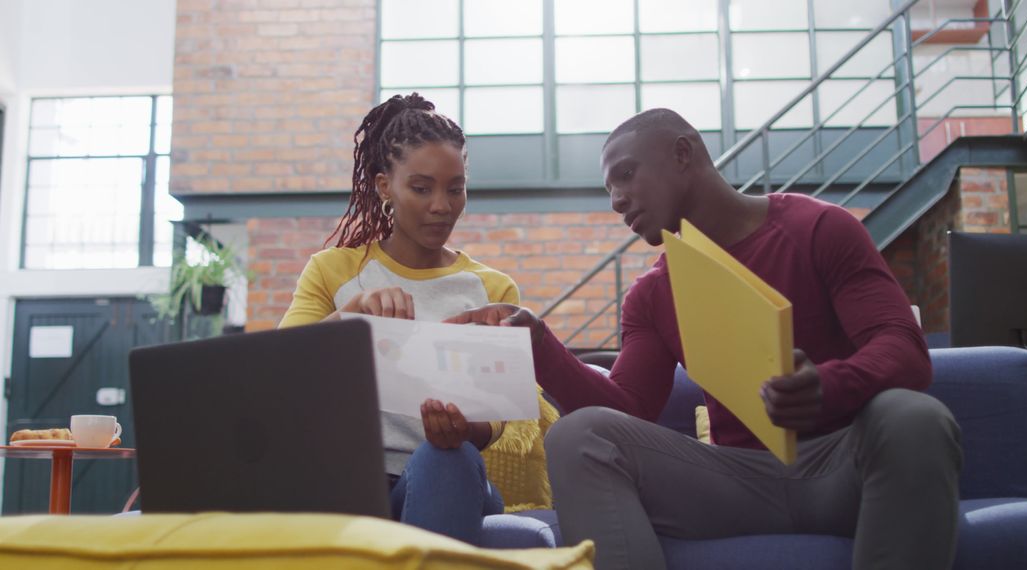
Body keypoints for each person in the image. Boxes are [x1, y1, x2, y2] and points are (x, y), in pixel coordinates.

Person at [446, 109, 963, 569]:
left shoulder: (819, 227)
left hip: (843, 466)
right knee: (579, 435)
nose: (617, 199)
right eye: (608, 189)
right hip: (736, 482)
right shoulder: (650, 293)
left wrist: (829, 385)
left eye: (625, 175)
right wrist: (538, 342)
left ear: (682, 154)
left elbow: (904, 349)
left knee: (914, 416)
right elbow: (629, 407)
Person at [279, 93, 554, 545]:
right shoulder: (334, 271)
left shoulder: (493, 289)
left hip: (447, 476)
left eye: (455, 187)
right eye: (422, 188)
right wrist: (353, 315)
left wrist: (466, 429)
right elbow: (279, 369)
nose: (442, 205)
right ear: (385, 187)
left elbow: (497, 421)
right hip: (346, 479)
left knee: (449, 458)